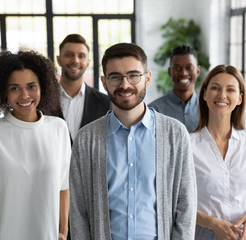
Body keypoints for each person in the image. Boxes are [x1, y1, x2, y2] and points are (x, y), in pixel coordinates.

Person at [69, 42, 197, 239]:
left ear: (147, 78)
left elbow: (186, 205)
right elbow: (78, 210)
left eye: (133, 75)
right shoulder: (86, 139)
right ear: (104, 82)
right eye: (115, 77)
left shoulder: (176, 134)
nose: (125, 84)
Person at [0, 50, 71, 240]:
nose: (24, 95)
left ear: (43, 87)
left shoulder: (58, 128)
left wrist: (63, 231)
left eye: (31, 86)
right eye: (15, 88)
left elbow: (63, 185)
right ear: (4, 92)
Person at [190, 64, 246, 240]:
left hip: (245, 233)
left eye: (230, 90)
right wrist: (212, 223)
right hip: (202, 233)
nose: (222, 95)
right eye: (215, 88)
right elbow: (176, 202)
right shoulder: (188, 144)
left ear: (239, 98)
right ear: (205, 94)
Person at [56, 33, 111, 141]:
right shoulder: (43, 100)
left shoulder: (105, 103)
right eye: (69, 55)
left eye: (81, 56)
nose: (75, 60)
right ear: (59, 60)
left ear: (88, 62)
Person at [149, 45, 201, 133]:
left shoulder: (208, 107)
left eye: (189, 67)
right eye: (177, 68)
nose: (183, 73)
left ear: (198, 71)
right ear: (170, 72)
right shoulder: (154, 110)